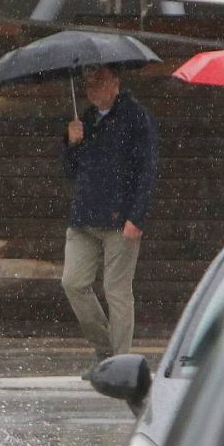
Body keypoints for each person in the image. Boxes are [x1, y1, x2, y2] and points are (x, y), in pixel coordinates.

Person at [60, 64, 159, 379]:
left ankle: (121, 364)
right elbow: (72, 171)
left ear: (115, 83)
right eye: (88, 83)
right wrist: (71, 143)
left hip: (121, 219)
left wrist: (137, 215)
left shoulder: (135, 117)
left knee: (116, 289)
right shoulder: (85, 119)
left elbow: (147, 169)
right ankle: (104, 350)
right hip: (84, 218)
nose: (91, 88)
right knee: (73, 282)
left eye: (98, 81)